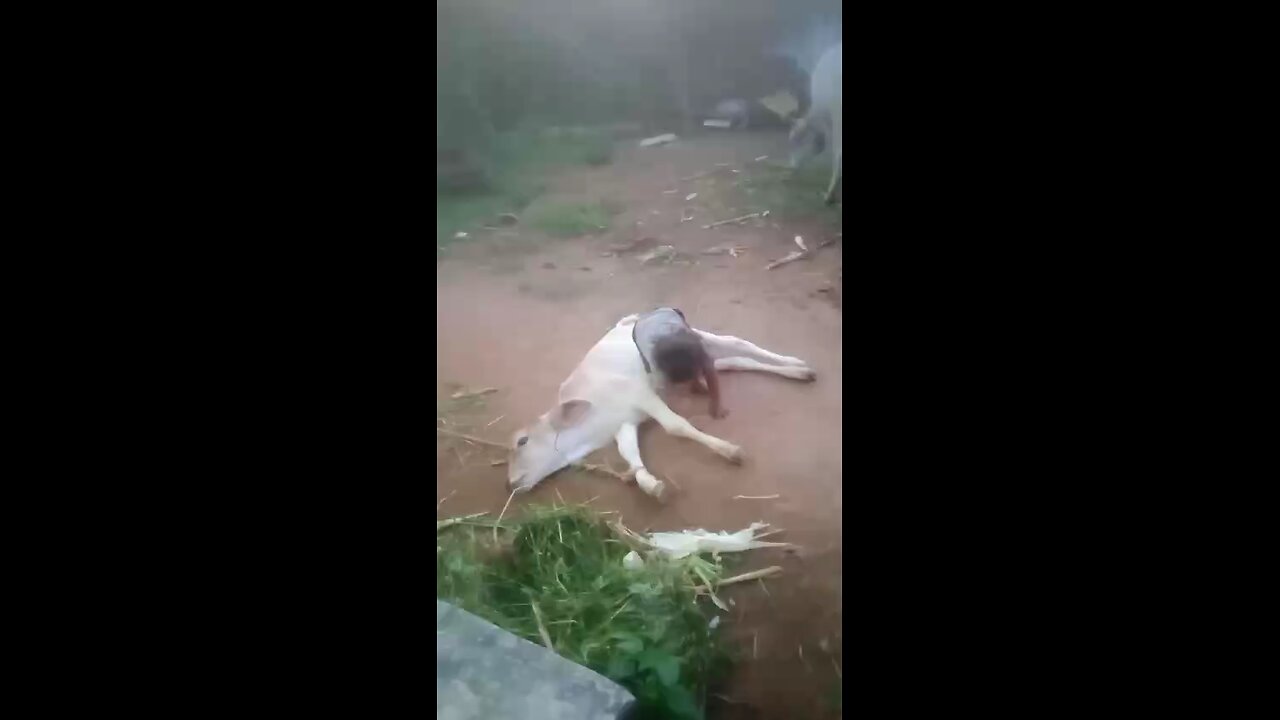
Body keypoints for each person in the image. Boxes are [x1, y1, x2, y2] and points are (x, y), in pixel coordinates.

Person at [631, 307, 727, 418]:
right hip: (640, 326)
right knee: (651, 374)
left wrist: (716, 403)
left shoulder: (697, 347)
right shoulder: (653, 362)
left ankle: (695, 385)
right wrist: (676, 416)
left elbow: (710, 369)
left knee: (701, 357)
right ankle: (693, 384)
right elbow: (663, 394)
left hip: (667, 314)